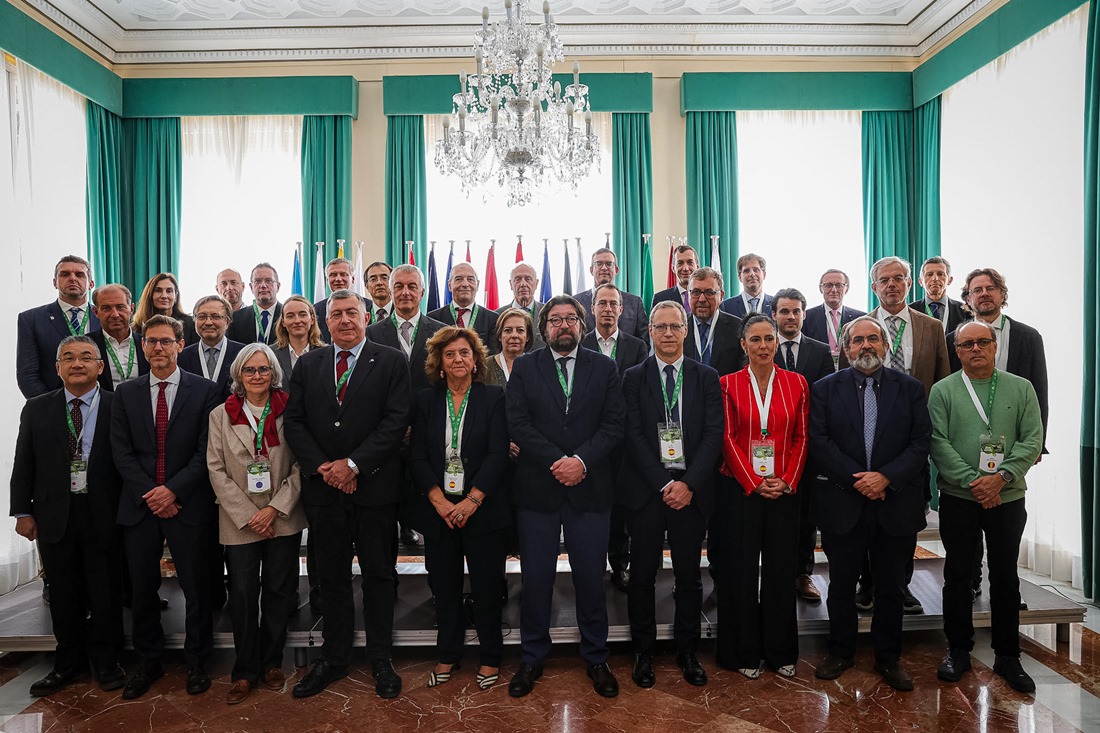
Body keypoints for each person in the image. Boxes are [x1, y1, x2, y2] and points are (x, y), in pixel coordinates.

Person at [284, 289, 410, 699]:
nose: (344, 320)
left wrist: (353, 465)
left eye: (351, 312)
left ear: (366, 316)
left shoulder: (391, 360)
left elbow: (396, 421)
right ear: (325, 321)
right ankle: (334, 657)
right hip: (324, 490)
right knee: (331, 578)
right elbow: (295, 422)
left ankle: (380, 657)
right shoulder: (309, 364)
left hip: (375, 489)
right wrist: (325, 467)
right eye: (336, 314)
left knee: (379, 575)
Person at [506, 295, 625, 699]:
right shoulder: (525, 367)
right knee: (536, 580)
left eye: (571, 318)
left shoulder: (604, 367)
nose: (563, 325)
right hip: (538, 489)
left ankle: (596, 656)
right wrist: (558, 461)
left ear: (582, 325)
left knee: (590, 579)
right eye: (555, 320)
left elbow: (614, 424)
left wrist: (581, 462)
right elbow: (517, 423)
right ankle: (531, 656)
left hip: (590, 488)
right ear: (543, 328)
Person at [809, 317, 931, 692]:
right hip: (843, 502)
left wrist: (885, 478)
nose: (866, 345)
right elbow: (819, 441)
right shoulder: (824, 389)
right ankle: (841, 651)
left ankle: (888, 657)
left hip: (895, 502)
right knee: (842, 585)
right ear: (846, 349)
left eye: (873, 339)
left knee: (891, 587)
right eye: (858, 340)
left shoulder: (910, 389)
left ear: (885, 345)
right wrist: (860, 480)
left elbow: (920, 442)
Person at [110, 315, 223, 699]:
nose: (158, 347)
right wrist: (153, 494)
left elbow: (205, 451)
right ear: (142, 347)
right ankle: (149, 662)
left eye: (165, 341)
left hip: (188, 504)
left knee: (197, 588)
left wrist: (172, 491)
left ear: (180, 345)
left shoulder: (205, 391)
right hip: (140, 506)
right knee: (142, 589)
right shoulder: (125, 393)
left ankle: (198, 662)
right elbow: (121, 453)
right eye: (151, 341)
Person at [929, 321, 1043, 694]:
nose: (975, 349)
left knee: (1006, 577)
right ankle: (958, 650)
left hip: (1007, 497)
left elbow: (1032, 438)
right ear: (957, 351)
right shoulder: (943, 390)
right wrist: (974, 482)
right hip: (960, 498)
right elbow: (938, 442)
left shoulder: (1021, 388)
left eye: (982, 342)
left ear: (994, 346)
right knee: (958, 575)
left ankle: (1008, 655)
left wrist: (1001, 477)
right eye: (967, 344)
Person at [11, 335, 125, 696]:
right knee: (63, 592)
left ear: (100, 367)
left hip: (105, 512)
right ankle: (68, 663)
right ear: (57, 367)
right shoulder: (37, 408)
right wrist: (22, 511)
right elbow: (23, 462)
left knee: (105, 590)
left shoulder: (118, 405)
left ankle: (107, 662)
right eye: (69, 358)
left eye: (86, 357)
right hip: (53, 513)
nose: (78, 364)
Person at [621, 302, 722, 688]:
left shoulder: (706, 376)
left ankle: (688, 650)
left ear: (685, 330)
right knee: (642, 576)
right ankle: (643, 651)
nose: (667, 333)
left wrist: (688, 484)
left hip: (691, 493)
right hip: (647, 493)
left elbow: (713, 434)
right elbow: (632, 434)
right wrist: (663, 484)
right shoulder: (633, 377)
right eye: (660, 327)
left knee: (688, 577)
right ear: (650, 331)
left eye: (674, 326)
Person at [846, 256, 950, 615]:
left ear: (909, 283)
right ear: (873, 286)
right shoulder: (859, 327)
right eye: (884, 280)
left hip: (911, 440)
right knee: (865, 515)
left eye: (898, 278)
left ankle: (900, 585)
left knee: (905, 516)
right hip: (866, 436)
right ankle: (867, 583)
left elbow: (941, 382)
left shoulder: (931, 327)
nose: (891, 285)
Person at [409, 327, 510, 690]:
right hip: (439, 513)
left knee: (487, 589)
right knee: (445, 588)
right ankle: (448, 655)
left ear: (475, 360)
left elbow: (498, 453)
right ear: (439, 362)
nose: (457, 359)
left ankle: (490, 656)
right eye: (449, 354)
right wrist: (439, 501)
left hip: (482, 510)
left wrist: (472, 500)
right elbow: (417, 456)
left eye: (464, 353)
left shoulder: (493, 397)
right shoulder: (424, 401)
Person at [207, 343, 306, 704]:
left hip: (282, 517)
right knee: (244, 595)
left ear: (274, 373)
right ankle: (245, 670)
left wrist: (274, 509)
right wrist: (250, 514)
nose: (257, 376)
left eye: (264, 369)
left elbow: (301, 464)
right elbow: (215, 468)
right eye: (249, 370)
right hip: (240, 520)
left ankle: (272, 662)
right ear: (238, 374)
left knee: (279, 592)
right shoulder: (220, 415)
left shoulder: (291, 410)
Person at [715, 313, 808, 680]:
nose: (764, 346)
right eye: (755, 339)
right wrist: (753, 481)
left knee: (781, 572)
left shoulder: (797, 383)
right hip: (741, 490)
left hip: (784, 490)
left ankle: (780, 650)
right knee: (739, 571)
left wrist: (786, 480)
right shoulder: (727, 384)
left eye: (769, 338)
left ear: (777, 342)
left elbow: (802, 437)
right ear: (744, 344)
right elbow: (726, 438)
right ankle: (742, 651)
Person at [580, 282, 647, 593]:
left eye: (613, 304)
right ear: (592, 309)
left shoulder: (637, 347)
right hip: (589, 441)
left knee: (621, 508)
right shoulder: (580, 344)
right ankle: (590, 567)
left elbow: (639, 392)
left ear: (621, 310)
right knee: (592, 508)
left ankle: (620, 565)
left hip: (625, 443)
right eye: (602, 303)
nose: (607, 309)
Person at [771, 288, 834, 603]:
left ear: (804, 314)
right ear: (774, 315)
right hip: (768, 449)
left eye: (796, 311)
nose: (790, 317)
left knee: (805, 517)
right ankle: (773, 574)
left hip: (807, 449)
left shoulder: (820, 351)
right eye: (784, 311)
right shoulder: (763, 346)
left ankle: (801, 573)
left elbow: (825, 401)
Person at [18, 255, 100, 398]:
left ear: (91, 284)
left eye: (79, 275)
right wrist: (51, 406)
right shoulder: (31, 319)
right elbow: (27, 375)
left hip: (100, 404)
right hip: (51, 404)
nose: (72, 278)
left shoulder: (103, 317)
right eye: (65, 274)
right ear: (55, 282)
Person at [572, 249, 648, 341]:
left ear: (616, 270)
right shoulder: (576, 302)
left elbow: (644, 342)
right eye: (599, 264)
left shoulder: (635, 303)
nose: (604, 268)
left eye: (609, 264)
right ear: (591, 270)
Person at [178, 295, 245, 399]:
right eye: (202, 317)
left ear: (227, 322)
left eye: (215, 316)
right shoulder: (181, 357)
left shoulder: (243, 354)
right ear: (194, 320)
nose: (208, 322)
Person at [683, 267, 745, 377]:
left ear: (721, 296)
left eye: (709, 292)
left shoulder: (738, 327)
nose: (702, 299)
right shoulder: (678, 326)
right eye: (696, 292)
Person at [428, 262, 500, 352]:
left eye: (470, 279)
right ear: (449, 285)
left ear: (477, 285)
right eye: (459, 279)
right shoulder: (434, 318)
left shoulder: (493, 319)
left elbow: (493, 354)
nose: (465, 284)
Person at [89, 284, 149, 391]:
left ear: (131, 309)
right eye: (106, 308)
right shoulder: (87, 345)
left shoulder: (147, 344)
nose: (115, 314)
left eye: (120, 307)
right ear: (96, 312)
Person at [803, 269, 866, 366]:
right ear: (821, 289)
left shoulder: (860, 318)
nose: (834, 290)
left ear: (846, 289)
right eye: (828, 285)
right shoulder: (806, 317)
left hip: (850, 370)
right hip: (817, 370)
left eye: (839, 285)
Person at [131, 273, 198, 346]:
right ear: (150, 295)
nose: (164, 296)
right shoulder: (136, 328)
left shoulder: (191, 324)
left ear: (176, 296)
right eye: (158, 291)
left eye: (169, 291)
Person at [315, 258, 370, 341]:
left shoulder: (369, 306)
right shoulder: (316, 310)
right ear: (327, 280)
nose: (338, 279)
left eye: (343, 274)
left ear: (353, 279)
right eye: (333, 275)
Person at [227, 263, 283, 345]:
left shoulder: (287, 315)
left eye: (268, 281)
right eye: (258, 281)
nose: (263, 285)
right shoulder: (236, 318)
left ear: (277, 286)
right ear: (251, 287)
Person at [273, 295, 326, 379]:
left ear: (312, 319)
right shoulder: (271, 354)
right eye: (290, 316)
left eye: (302, 315)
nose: (297, 321)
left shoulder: (326, 354)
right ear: (283, 322)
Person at [911, 256, 967, 336]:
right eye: (929, 274)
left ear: (950, 280)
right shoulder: (910, 310)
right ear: (920, 281)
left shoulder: (964, 310)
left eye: (940, 274)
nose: (935, 278)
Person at [484, 307, 535, 388]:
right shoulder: (485, 367)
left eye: (520, 330)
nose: (514, 335)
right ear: (499, 336)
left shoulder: (537, 366)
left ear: (528, 336)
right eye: (508, 330)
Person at [720, 253, 774, 318]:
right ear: (740, 277)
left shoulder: (776, 304)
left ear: (764, 275)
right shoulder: (726, 306)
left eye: (756, 270)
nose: (752, 274)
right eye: (746, 271)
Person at [651, 245, 699, 314]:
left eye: (690, 262)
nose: (685, 268)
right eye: (680, 263)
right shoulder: (660, 299)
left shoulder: (707, 296)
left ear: (697, 267)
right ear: (673, 268)